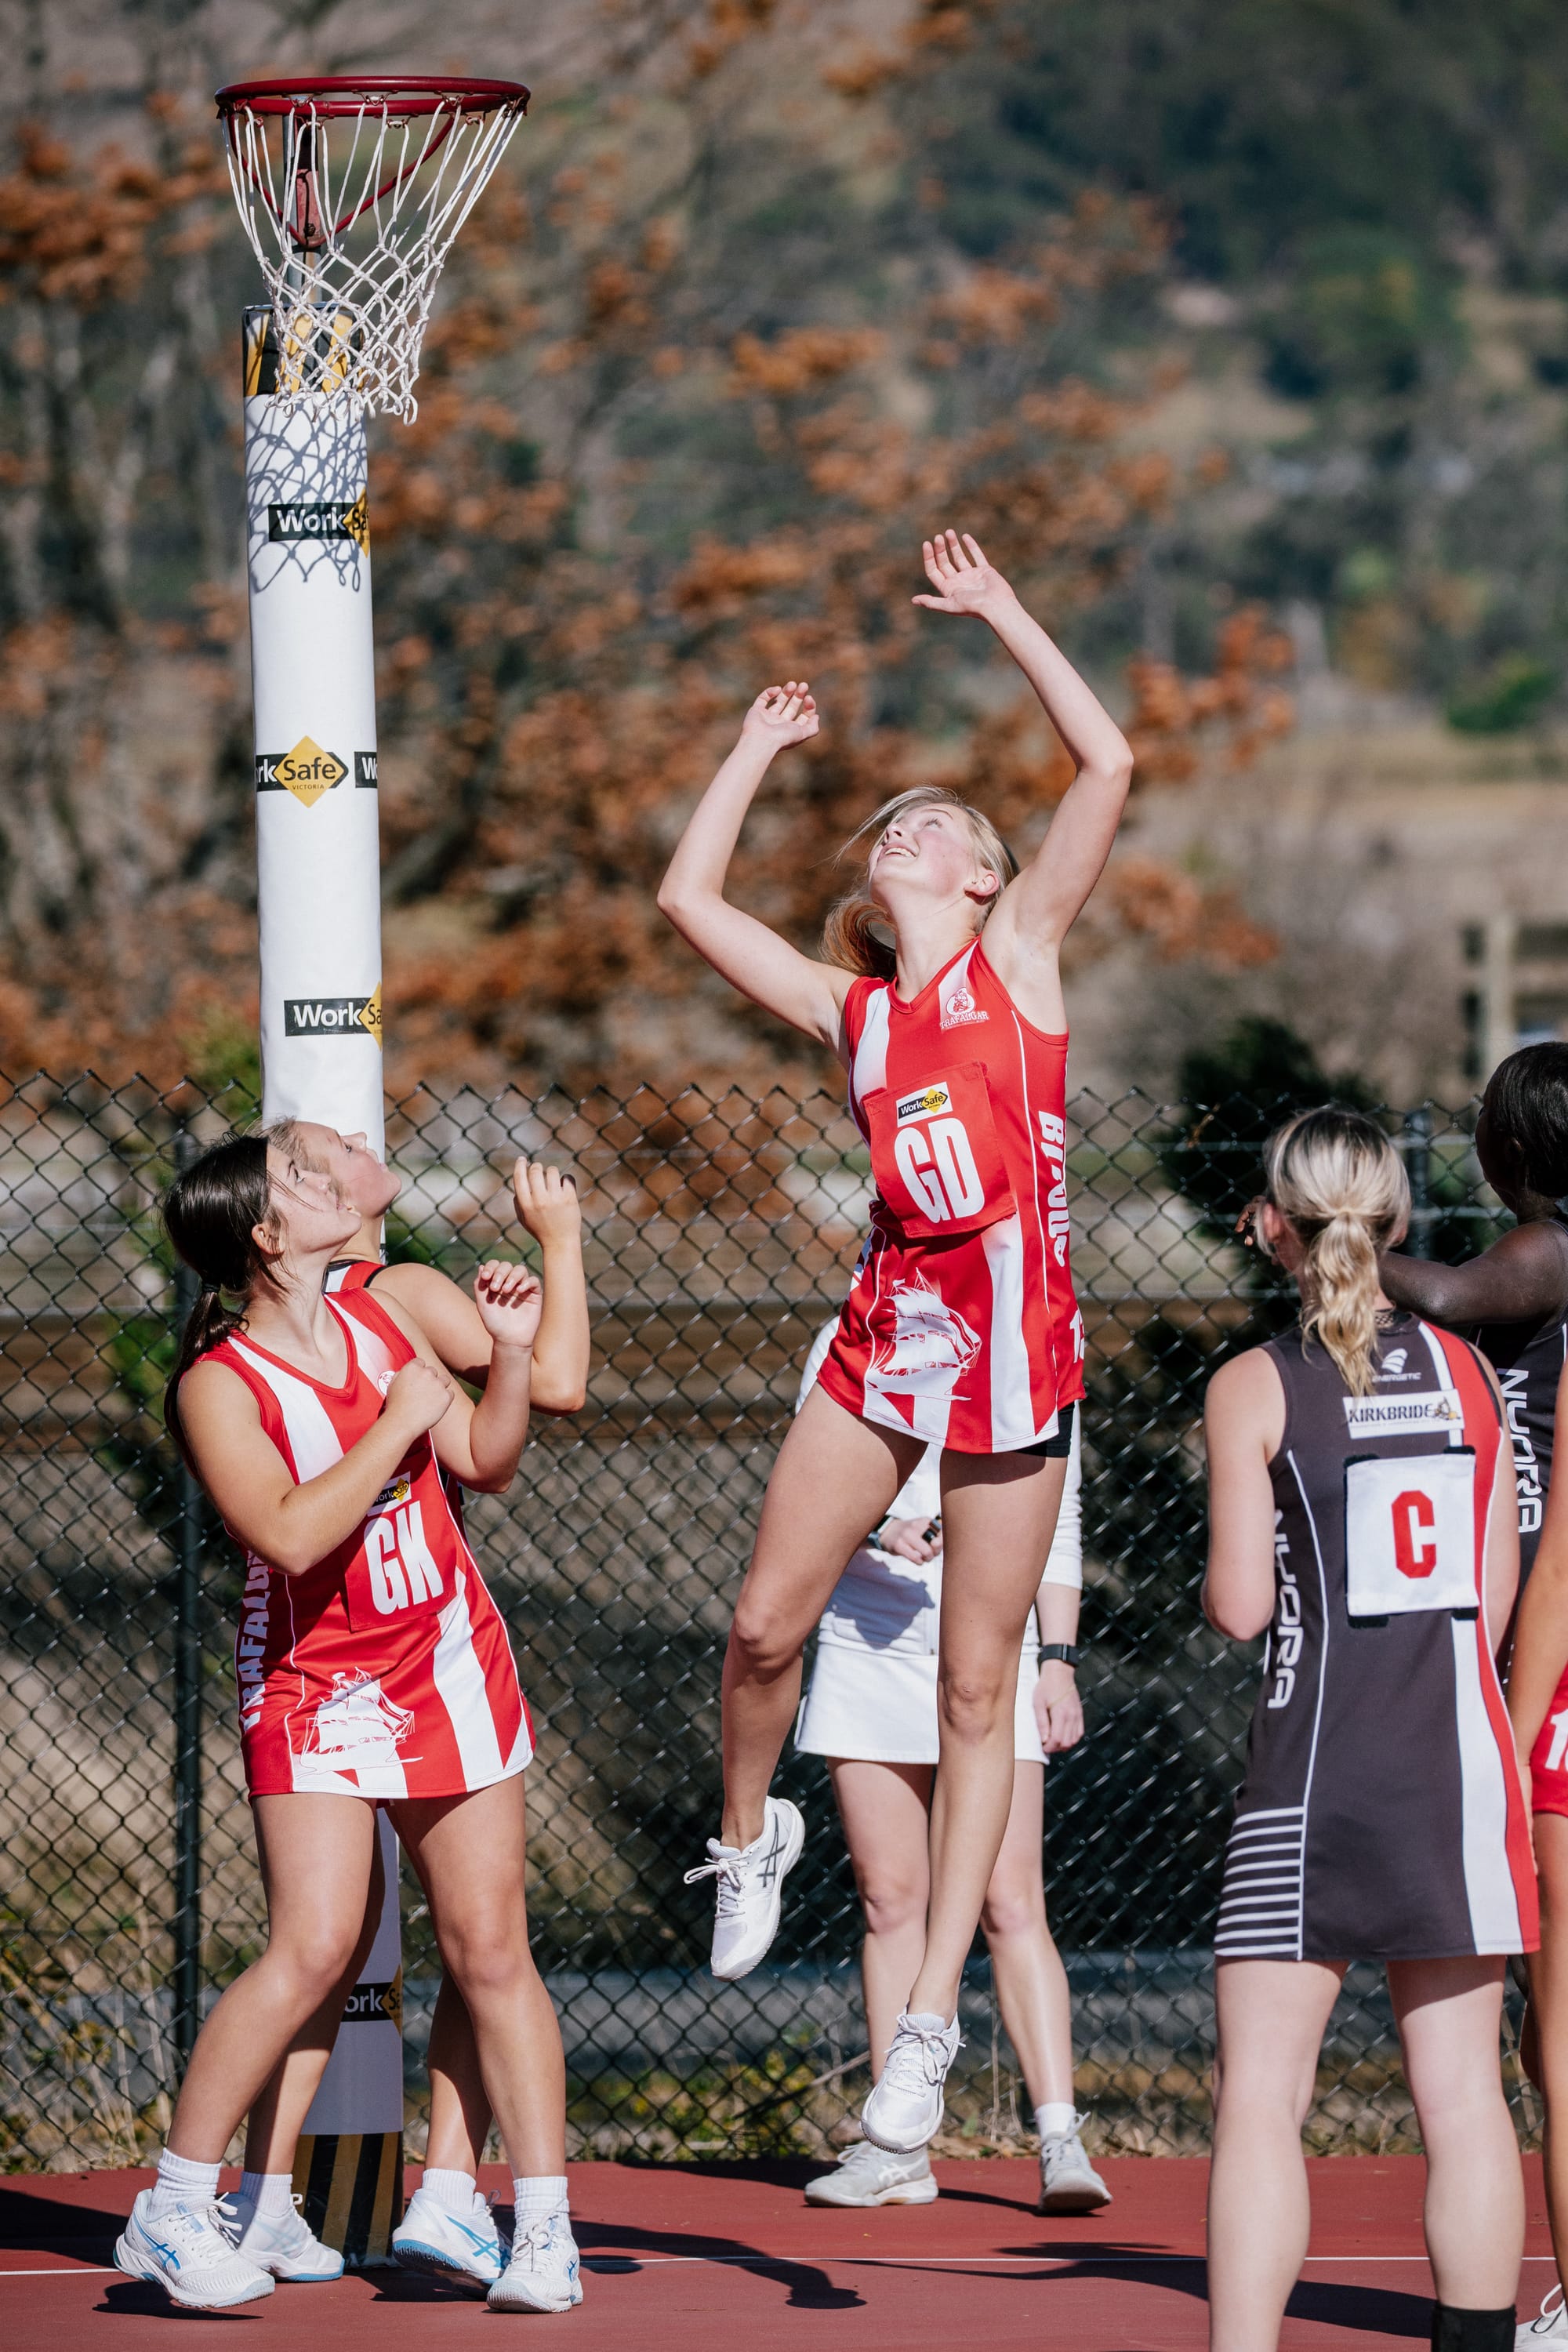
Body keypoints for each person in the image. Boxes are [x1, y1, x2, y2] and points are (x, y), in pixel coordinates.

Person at [659, 527, 1132, 2154]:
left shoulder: (1021, 963)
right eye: (892, 831)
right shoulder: (855, 1013)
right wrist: (748, 750)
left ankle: (926, 2028)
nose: (903, 835)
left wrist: (1002, 610)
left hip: (1015, 1360)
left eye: (934, 827)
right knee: (762, 1628)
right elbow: (686, 898)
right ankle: (748, 1837)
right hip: (889, 1344)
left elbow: (1107, 762)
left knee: (975, 1690)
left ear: (983, 877)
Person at [111, 1127, 581, 2316]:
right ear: (267, 1237)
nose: (328, 1179)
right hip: (315, 1682)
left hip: (445, 1660)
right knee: (315, 1946)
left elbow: (484, 1456)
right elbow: (287, 1534)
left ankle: (541, 2230)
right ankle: (176, 2202)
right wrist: (392, 1422)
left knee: (492, 1950)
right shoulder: (220, 1384)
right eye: (298, 1180)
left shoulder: (385, 1315)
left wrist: (508, 1357)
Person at [1203, 1107, 1534, 2352]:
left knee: (1260, 2097)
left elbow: (1241, 1608)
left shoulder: (1254, 1384)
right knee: (1463, 2095)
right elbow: (1491, 1595)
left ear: (1271, 1228)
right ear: (1397, 1222)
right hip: (1457, 1767)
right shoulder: (1469, 1374)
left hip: (1316, 1770)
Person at [790, 1321, 1110, 2214]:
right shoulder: (848, 1338)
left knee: (1011, 1902)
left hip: (994, 1651)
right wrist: (879, 1525)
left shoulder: (1032, 1339)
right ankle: (899, 2150)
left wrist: (1058, 1659)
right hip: (869, 1642)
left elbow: (1057, 1514)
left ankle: (1060, 2139)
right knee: (890, 1900)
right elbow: (806, 1496)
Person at [1381, 1043, 1568, 1592]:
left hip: (1536, 1537)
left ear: (1510, 1149)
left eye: (1484, 1111)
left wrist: (1326, 1244)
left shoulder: (1547, 1248)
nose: (1474, 1124)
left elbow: (1447, 1298)